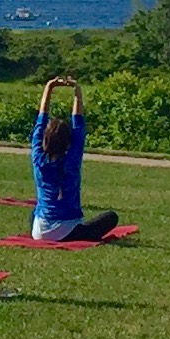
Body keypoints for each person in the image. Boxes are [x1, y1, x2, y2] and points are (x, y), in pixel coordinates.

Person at [30, 76, 118, 242]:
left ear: (45, 139)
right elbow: (78, 126)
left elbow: (40, 121)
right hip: (68, 231)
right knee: (111, 217)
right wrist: (77, 90)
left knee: (36, 211)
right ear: (67, 141)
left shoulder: (39, 159)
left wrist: (49, 87)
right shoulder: (72, 159)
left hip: (39, 231)